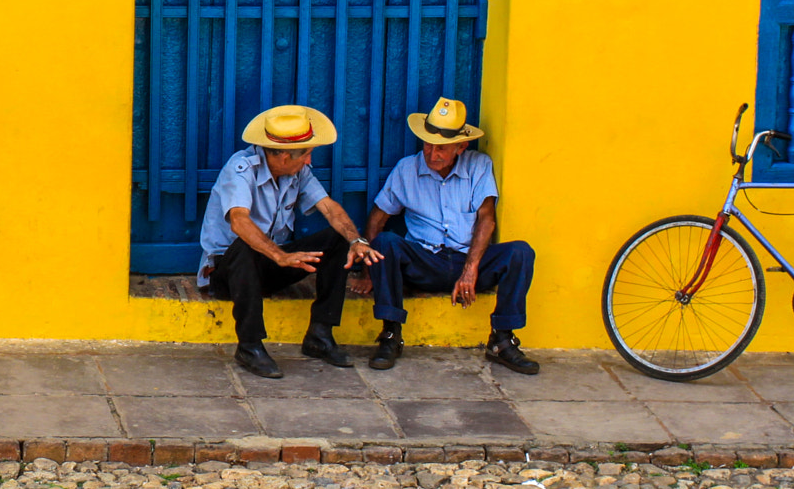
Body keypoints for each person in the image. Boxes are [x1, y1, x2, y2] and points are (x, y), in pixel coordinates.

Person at [351, 97, 539, 375]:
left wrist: (471, 269)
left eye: (441, 148)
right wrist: (368, 271)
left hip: (468, 260)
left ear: (461, 147)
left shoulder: (479, 166)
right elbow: (379, 217)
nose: (432, 154)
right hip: (425, 261)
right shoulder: (406, 169)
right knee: (386, 243)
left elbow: (487, 218)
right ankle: (391, 334)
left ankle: (502, 340)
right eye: (427, 145)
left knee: (521, 252)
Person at [198, 105, 384, 380]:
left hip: (270, 265)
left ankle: (320, 334)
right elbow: (239, 221)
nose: (309, 161)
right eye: (306, 154)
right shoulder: (240, 169)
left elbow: (329, 208)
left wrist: (357, 240)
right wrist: (280, 256)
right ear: (284, 156)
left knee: (337, 238)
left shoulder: (297, 172)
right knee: (244, 245)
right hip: (230, 274)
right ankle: (249, 346)